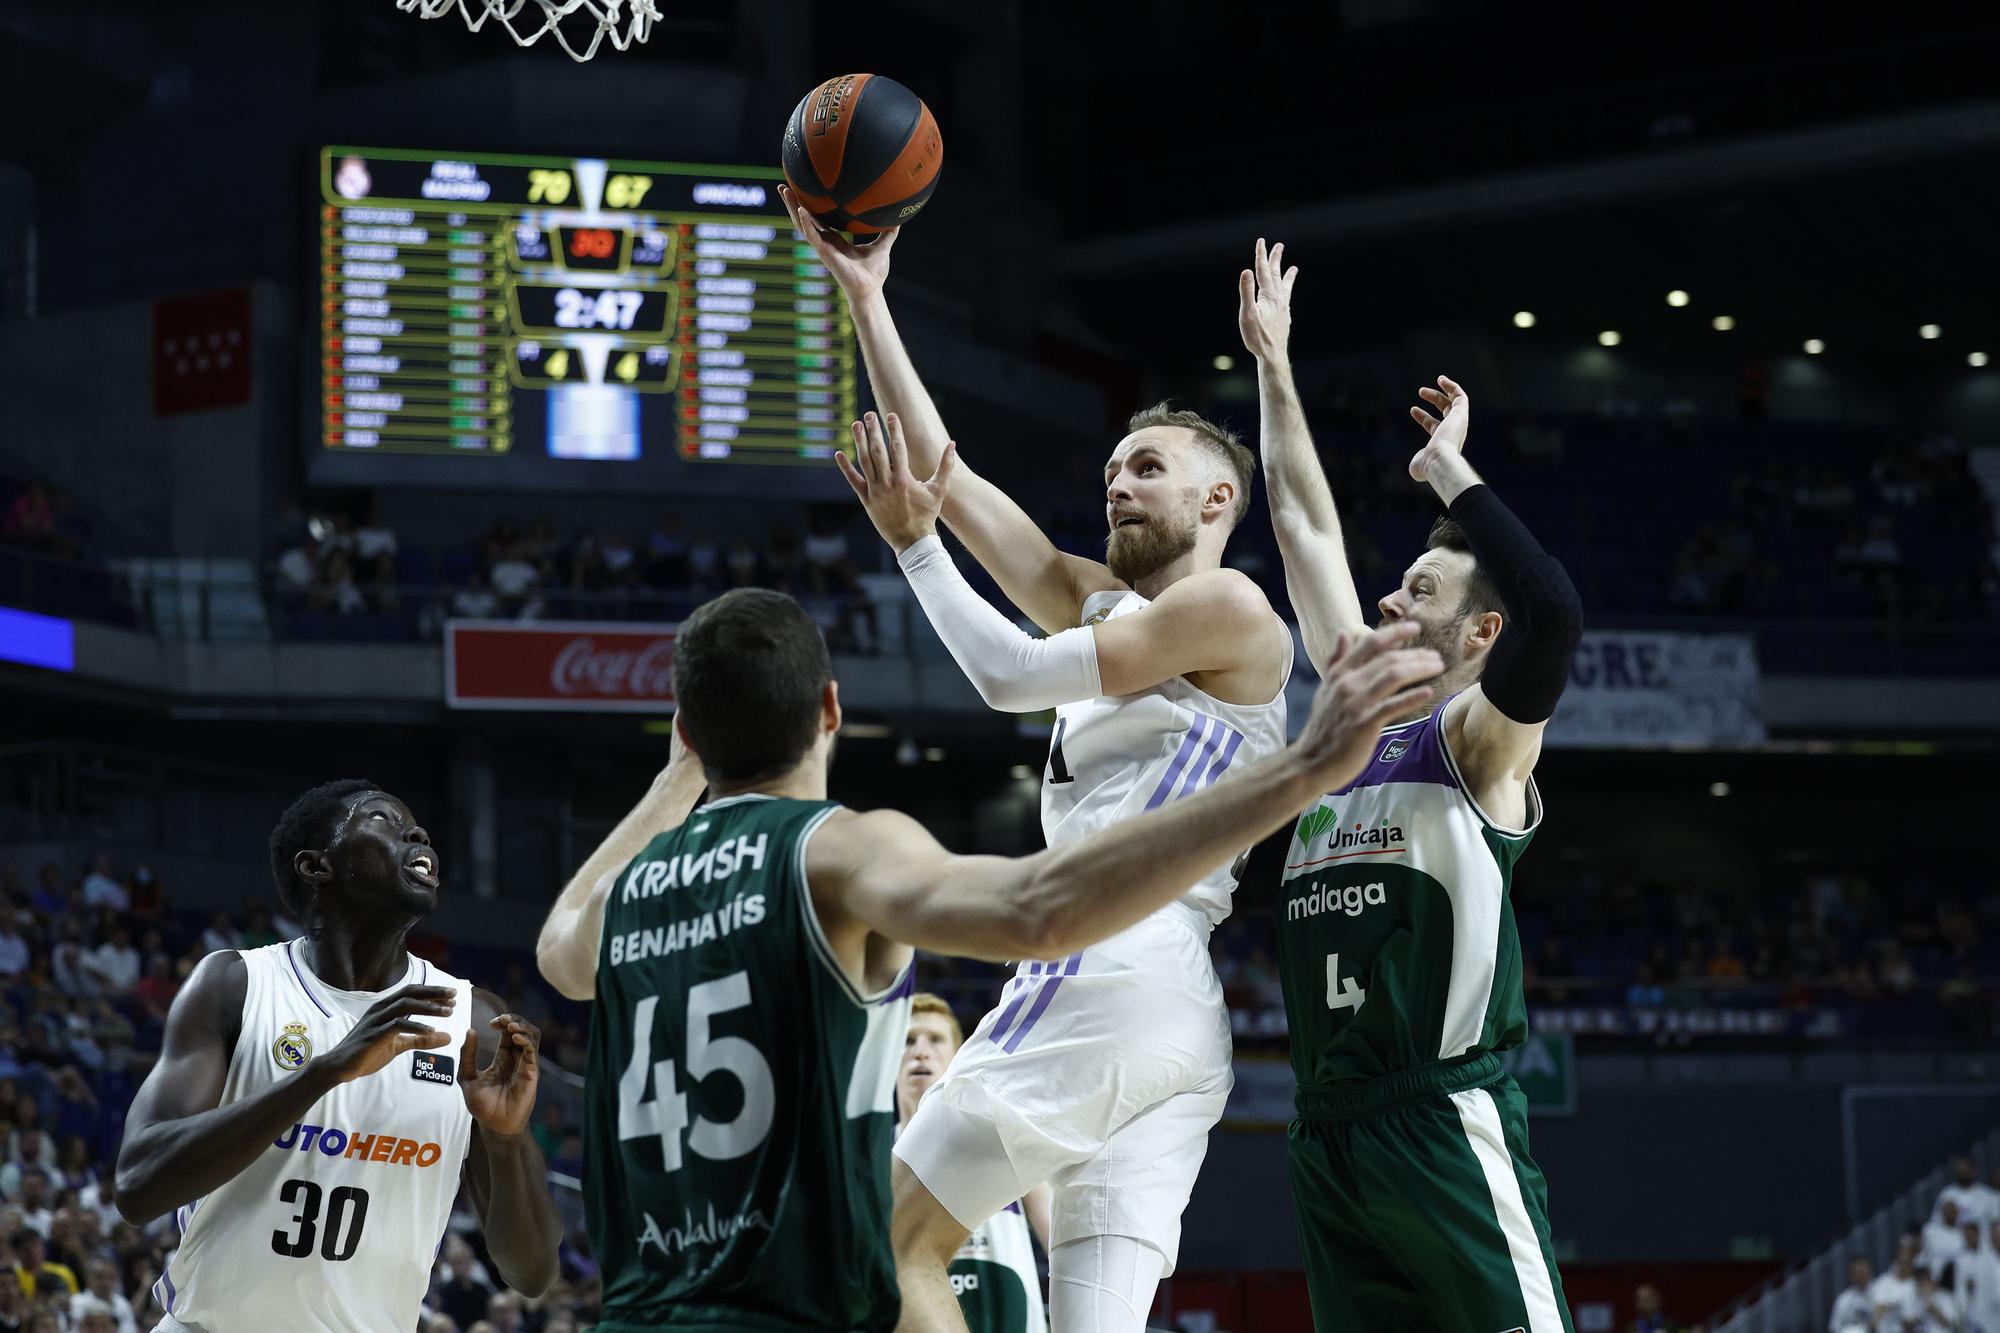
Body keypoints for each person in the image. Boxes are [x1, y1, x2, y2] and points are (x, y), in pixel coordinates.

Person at [534, 587, 1439, 1332]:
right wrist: (1302, 767)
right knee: (894, 1246)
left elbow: (558, 951)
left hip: (637, 1312)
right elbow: (1037, 911)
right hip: (777, 1308)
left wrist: (678, 777)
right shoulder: (836, 851)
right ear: (831, 710)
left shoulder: (626, 896)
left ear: (688, 733)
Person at [791, 189, 1296, 1333]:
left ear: (1216, 497)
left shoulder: (1229, 606)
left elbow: (1010, 675)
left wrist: (914, 552)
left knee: (881, 1243)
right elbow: (948, 474)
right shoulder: (1102, 599)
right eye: (1111, 468)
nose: (1117, 482)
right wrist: (866, 297)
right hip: (1170, 1011)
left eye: (1146, 467)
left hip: (1110, 956)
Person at [1241, 239, 1585, 1333]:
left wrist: (1449, 475)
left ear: (1479, 633)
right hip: (1326, 1133)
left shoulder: (1477, 740)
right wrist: (1273, 364)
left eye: (1420, 589)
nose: (1390, 599)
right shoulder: (1347, 728)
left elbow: (1552, 612)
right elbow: (1301, 525)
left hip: (1438, 1122)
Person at [111, 781, 564, 1332]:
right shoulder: (237, 985)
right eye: (382, 820)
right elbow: (137, 1186)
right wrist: (323, 1073)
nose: (417, 835)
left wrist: (507, 1140)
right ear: (315, 866)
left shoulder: (472, 1022)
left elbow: (532, 1273)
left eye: (416, 827)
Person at [899, 994, 1051, 1333]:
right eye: (908, 1041)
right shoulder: (873, 1160)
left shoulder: (999, 1136)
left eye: (935, 1040)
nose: (921, 1051)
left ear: (957, 1057)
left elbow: (1059, 1240)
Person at [1829, 1260, 1874, 1333]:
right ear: (1852, 1276)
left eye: (1863, 1273)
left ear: (1870, 1273)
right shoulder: (1843, 1299)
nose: (1861, 1277)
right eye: (1858, 1274)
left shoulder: (1880, 1291)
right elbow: (1835, 1326)